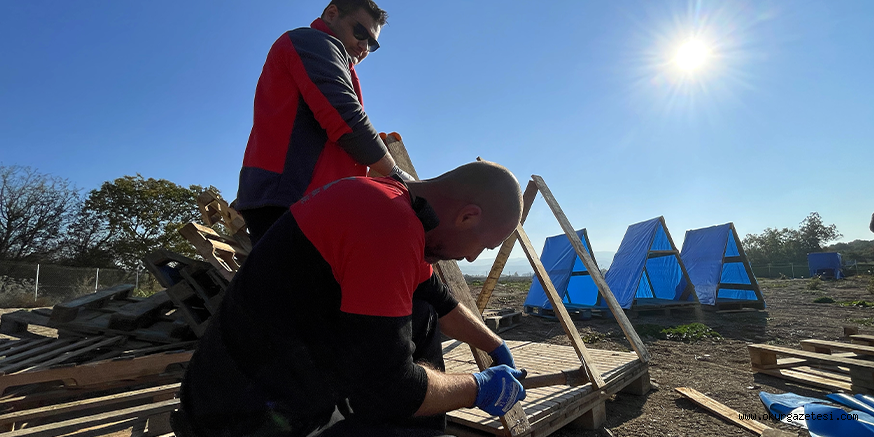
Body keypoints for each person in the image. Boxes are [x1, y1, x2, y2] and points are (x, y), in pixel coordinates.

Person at [175, 162, 527, 437]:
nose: (470, 259)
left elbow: (439, 300)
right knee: (390, 385)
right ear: (467, 216)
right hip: (238, 416)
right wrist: (477, 388)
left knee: (423, 313)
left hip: (263, 379)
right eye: (484, 245)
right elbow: (391, 388)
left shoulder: (389, 202)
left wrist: (495, 346)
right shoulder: (388, 224)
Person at [236, 0, 411, 245]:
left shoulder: (331, 55)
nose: (363, 46)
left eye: (372, 44)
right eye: (360, 32)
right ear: (331, 14)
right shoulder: (313, 42)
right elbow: (348, 121)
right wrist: (398, 175)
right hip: (289, 198)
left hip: (304, 199)